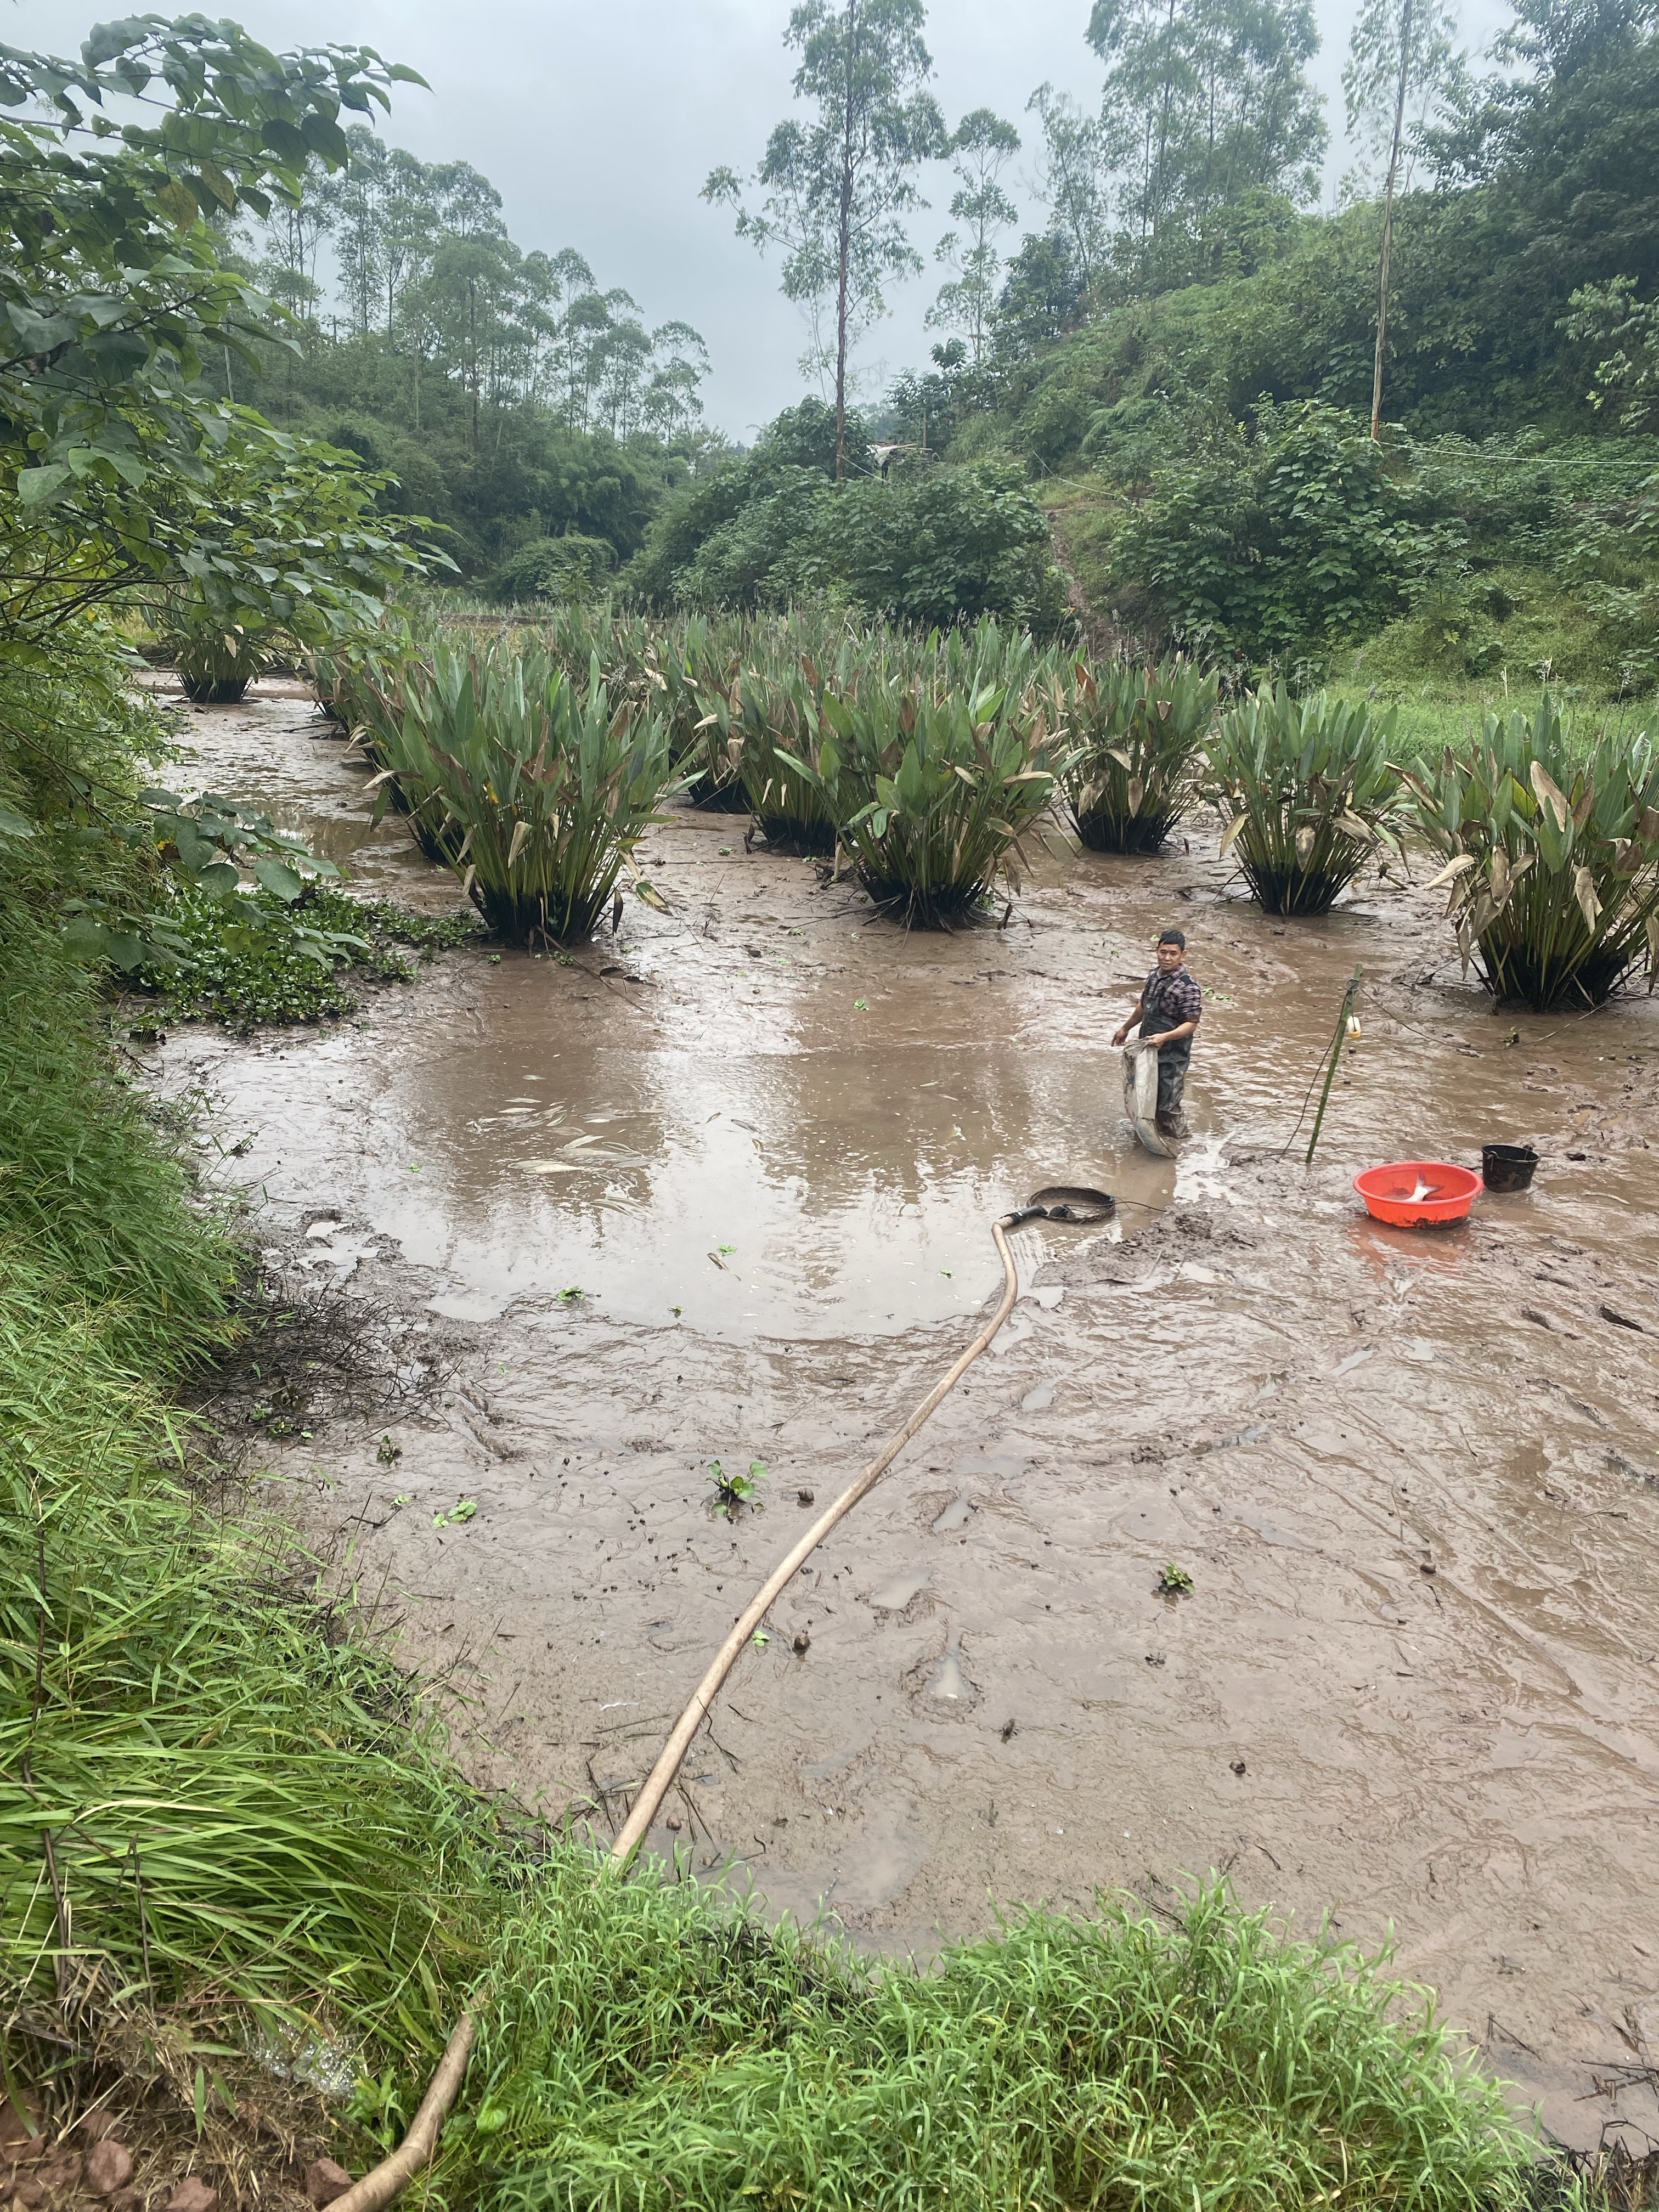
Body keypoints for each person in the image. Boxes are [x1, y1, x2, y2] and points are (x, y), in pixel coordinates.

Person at [1113, 928, 1202, 1140]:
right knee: (1145, 1096)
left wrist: (1166, 1037)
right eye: (1163, 952)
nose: (1167, 958)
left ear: (1183, 955)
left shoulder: (1189, 987)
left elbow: (1191, 1024)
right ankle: (1150, 1138)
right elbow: (1143, 1007)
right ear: (1157, 951)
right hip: (1148, 1050)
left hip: (1173, 1054)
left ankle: (1182, 1145)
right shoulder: (1154, 976)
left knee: (1168, 1103)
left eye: (1173, 953)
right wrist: (1126, 1028)